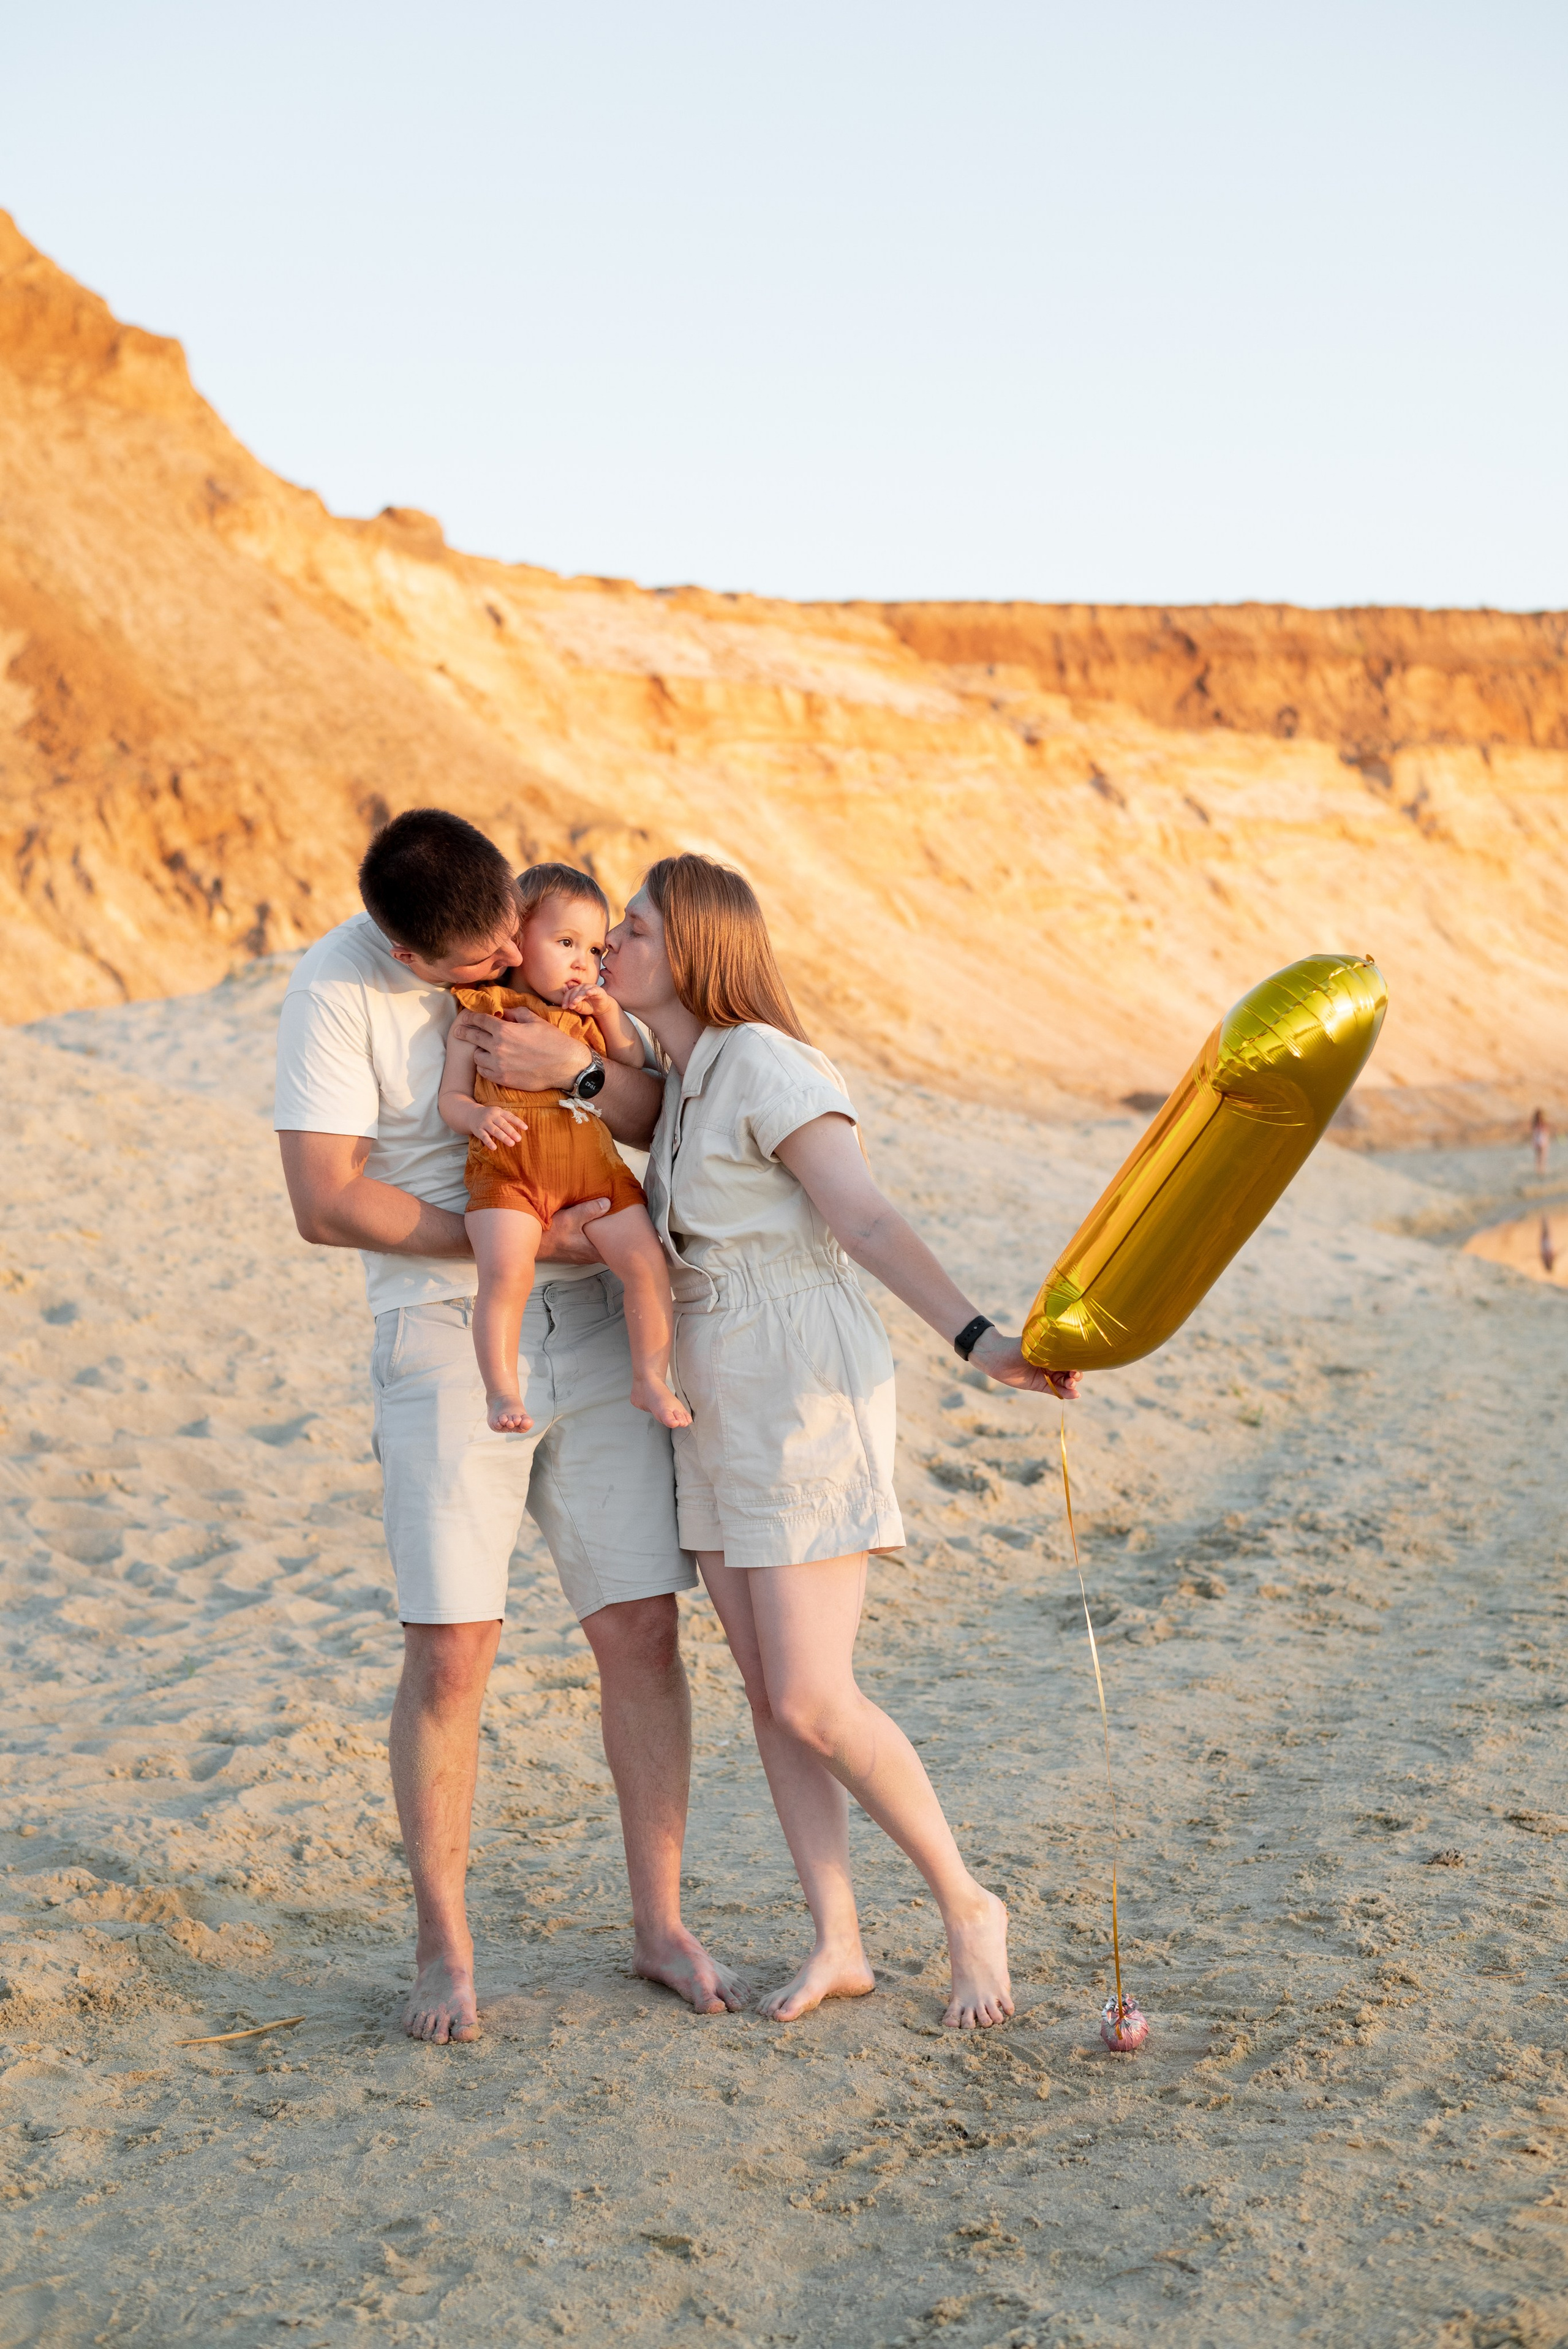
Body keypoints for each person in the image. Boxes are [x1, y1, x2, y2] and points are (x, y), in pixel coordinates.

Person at [274, 809, 741, 2043]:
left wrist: (582, 1084)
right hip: (441, 1325)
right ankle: (444, 1946)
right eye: (475, 961)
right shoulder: (335, 988)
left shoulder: (530, 930)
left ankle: (657, 1922)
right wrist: (518, 1242)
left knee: (641, 1626)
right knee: (452, 1653)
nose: (503, 963)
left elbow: (645, 1104)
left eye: (509, 941)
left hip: (594, 1323)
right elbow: (324, 1203)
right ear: (410, 959)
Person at [601, 852, 1080, 2032]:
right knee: (769, 1694)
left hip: (800, 1378)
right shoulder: (686, 1078)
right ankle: (841, 1940)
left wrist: (979, 1339)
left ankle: (969, 1905)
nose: (615, 942)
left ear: (701, 949)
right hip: (713, 1391)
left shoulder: (766, 1060)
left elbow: (859, 1213)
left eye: (637, 928)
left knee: (815, 1696)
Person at [438, 861, 690, 1435]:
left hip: (596, 1175)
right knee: (505, 1272)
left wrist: (610, 1014)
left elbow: (630, 1068)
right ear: (517, 939)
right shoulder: (481, 1012)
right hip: (511, 1176)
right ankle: (501, 1389)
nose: (584, 960)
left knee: (646, 1263)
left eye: (595, 948)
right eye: (566, 941)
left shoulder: (589, 1016)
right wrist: (476, 1114)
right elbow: (450, 1098)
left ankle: (650, 1377)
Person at [1532, 1107, 1551, 1179]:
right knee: (1538, 1157)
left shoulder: (1544, 1124)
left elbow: (1546, 1134)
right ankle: (1538, 1171)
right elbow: (1535, 1134)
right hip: (1537, 1142)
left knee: (1543, 1157)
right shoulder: (1535, 1124)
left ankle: (1542, 1171)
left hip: (1543, 1142)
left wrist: (1546, 1143)